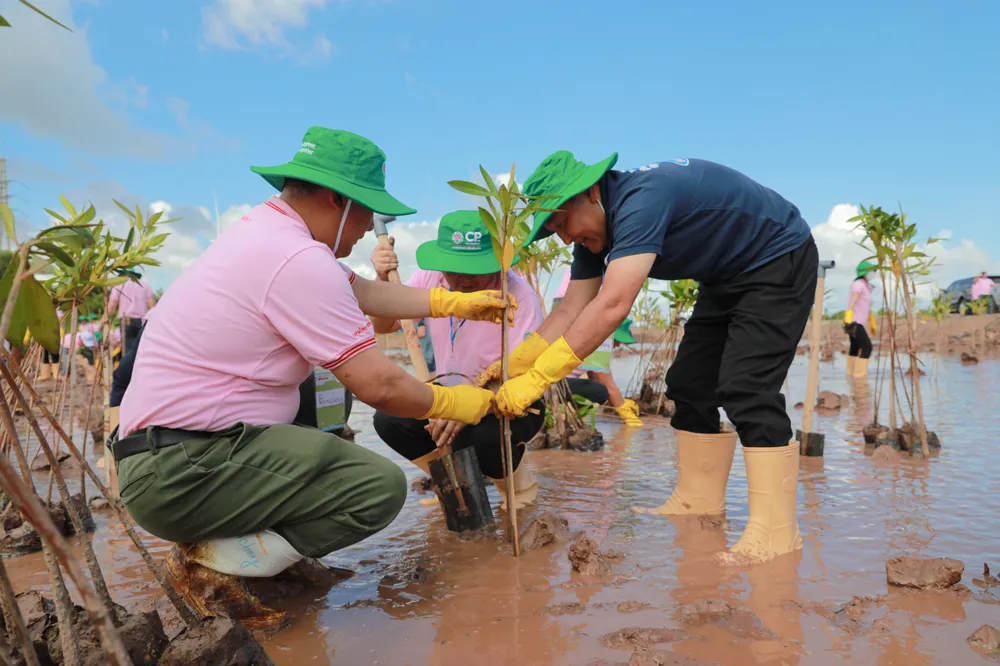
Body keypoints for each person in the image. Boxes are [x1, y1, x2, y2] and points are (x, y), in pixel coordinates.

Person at [115, 128, 510, 625]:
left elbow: (364, 293)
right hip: (180, 471)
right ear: (336, 199)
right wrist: (455, 403)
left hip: (164, 458)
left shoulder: (268, 232)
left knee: (312, 397)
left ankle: (261, 557)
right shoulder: (296, 258)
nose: (368, 227)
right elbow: (379, 386)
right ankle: (215, 569)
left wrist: (452, 304)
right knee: (376, 487)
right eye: (366, 210)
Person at [488, 152, 818, 564]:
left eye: (562, 223)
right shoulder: (596, 234)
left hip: (777, 256)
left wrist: (538, 381)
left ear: (591, 192)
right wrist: (515, 365)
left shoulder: (641, 200)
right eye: (553, 231)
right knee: (690, 384)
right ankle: (698, 500)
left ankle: (777, 533)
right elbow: (569, 311)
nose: (566, 239)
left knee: (747, 388)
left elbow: (613, 305)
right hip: (726, 275)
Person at [370, 210, 546, 509]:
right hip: (447, 395)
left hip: (506, 399)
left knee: (488, 438)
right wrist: (381, 280)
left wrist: (467, 407)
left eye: (473, 270)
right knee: (390, 419)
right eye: (454, 269)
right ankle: (455, 483)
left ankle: (519, 489)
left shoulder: (520, 297)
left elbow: (524, 380)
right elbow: (383, 325)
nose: (462, 279)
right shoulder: (430, 278)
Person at [552, 271, 643, 427]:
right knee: (600, 391)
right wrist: (626, 414)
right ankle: (566, 417)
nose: (619, 345)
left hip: (553, 383)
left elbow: (593, 373)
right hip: (554, 385)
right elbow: (605, 383)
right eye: (619, 340)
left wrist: (619, 400)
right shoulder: (598, 336)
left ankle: (566, 415)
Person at [844, 261, 877, 378]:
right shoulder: (858, 284)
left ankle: (850, 376)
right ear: (865, 272)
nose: (873, 273)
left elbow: (867, 307)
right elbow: (853, 301)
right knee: (867, 347)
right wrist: (848, 319)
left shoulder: (866, 286)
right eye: (872, 271)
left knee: (855, 347)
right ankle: (860, 377)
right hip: (854, 322)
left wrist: (872, 323)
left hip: (857, 321)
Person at [108, 275, 155, 356]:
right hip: (142, 321)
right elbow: (152, 305)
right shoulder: (145, 285)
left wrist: (105, 318)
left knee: (128, 351)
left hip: (126, 321)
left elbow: (112, 304)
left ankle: (129, 367)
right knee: (140, 349)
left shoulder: (119, 285)